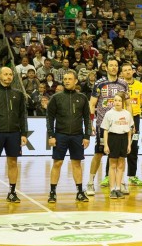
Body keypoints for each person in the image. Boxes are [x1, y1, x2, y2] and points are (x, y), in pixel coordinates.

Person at [0, 67, 29, 204]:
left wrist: (23, 134)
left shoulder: (19, 94)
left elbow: (22, 116)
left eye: (10, 74)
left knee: (13, 162)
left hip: (14, 134)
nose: (8, 76)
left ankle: (12, 193)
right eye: (5, 74)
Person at [106, 63, 142, 191]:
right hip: (117, 118)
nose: (127, 72)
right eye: (124, 70)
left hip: (135, 119)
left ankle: (132, 176)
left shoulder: (140, 86)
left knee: (133, 146)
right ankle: (107, 176)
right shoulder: (118, 85)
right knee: (113, 146)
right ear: (121, 72)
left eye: (129, 70)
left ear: (133, 72)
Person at [46, 71, 92, 203]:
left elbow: (87, 119)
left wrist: (87, 136)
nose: (66, 81)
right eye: (65, 79)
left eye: (70, 79)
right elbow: (49, 118)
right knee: (57, 163)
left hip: (77, 136)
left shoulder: (82, 97)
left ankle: (79, 192)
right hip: (60, 135)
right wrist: (51, 135)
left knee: (76, 164)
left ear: (76, 81)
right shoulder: (56, 97)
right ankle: (53, 192)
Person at [86, 59, 130, 196]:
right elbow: (92, 104)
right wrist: (90, 123)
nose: (113, 67)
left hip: (121, 126)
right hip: (103, 126)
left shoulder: (124, 84)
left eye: (116, 65)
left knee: (121, 157)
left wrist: (131, 123)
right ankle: (90, 182)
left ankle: (121, 183)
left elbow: (128, 105)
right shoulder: (100, 84)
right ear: (106, 67)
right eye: (111, 65)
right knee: (99, 154)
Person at [101, 92, 134, 199]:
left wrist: (129, 144)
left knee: (121, 165)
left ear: (123, 102)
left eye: (120, 100)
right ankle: (112, 189)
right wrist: (106, 145)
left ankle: (119, 188)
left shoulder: (127, 114)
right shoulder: (109, 114)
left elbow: (129, 131)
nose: (117, 102)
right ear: (113, 102)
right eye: (115, 100)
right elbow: (105, 130)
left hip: (124, 139)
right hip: (113, 138)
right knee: (112, 165)